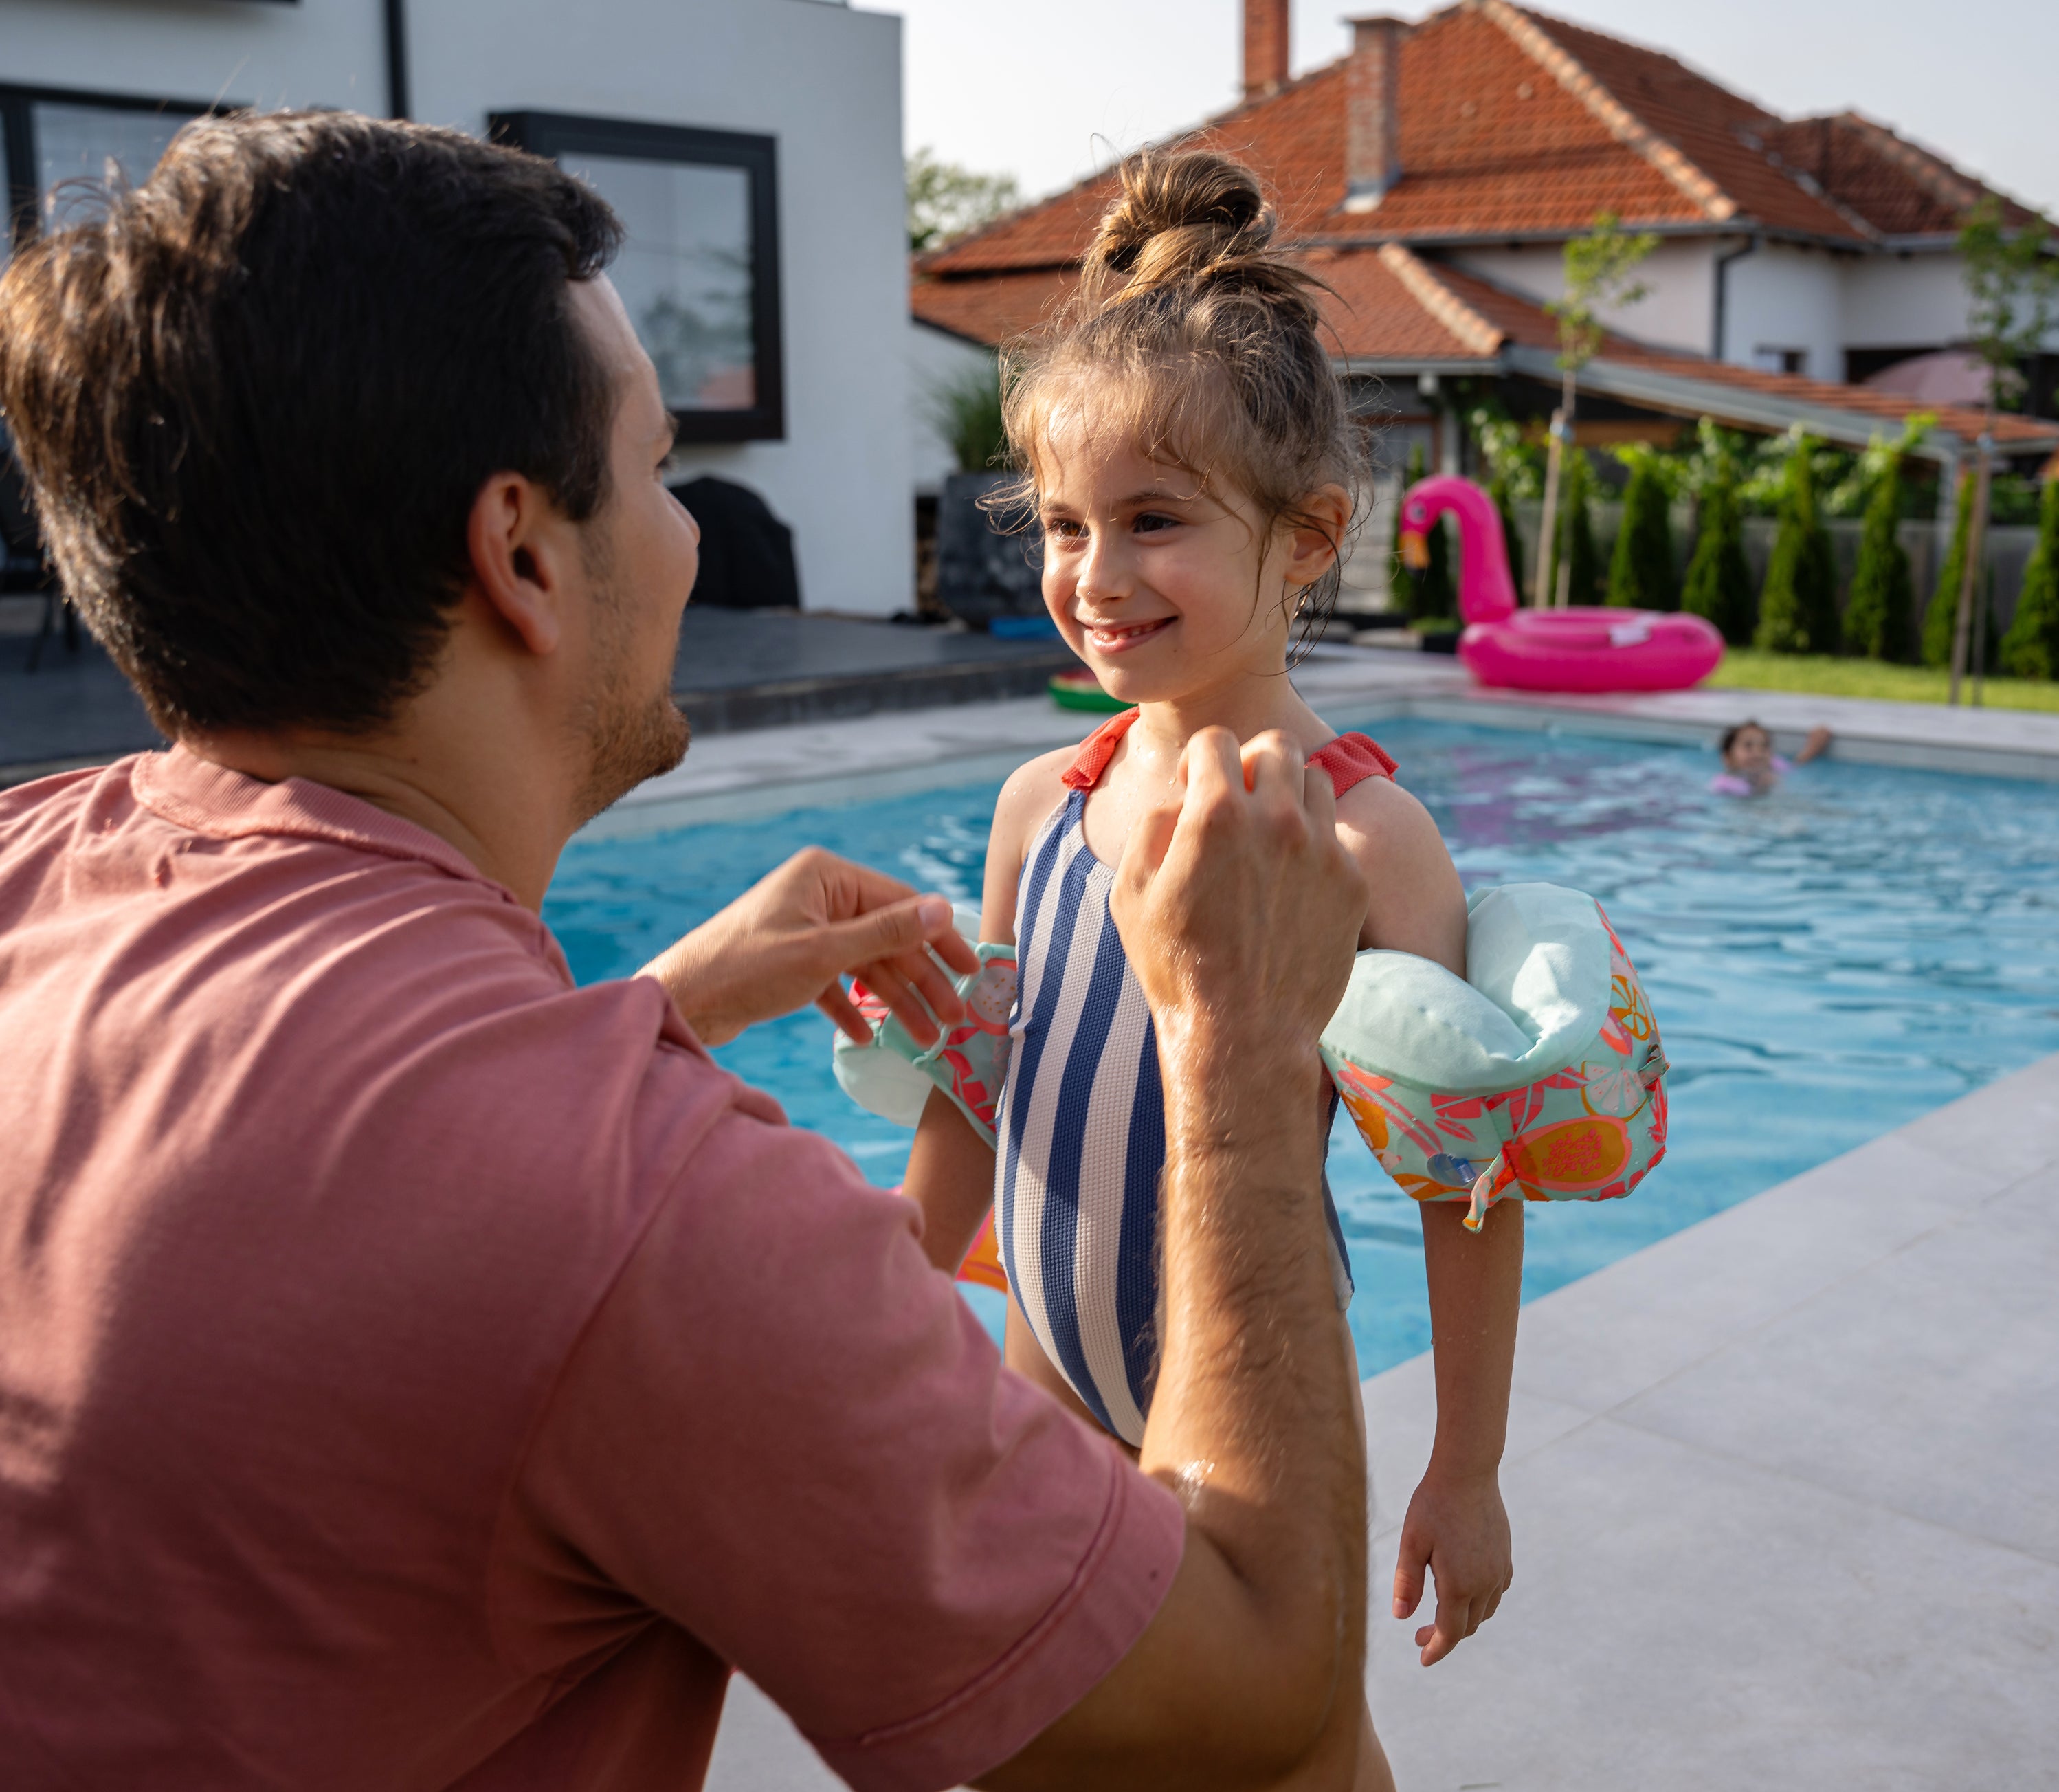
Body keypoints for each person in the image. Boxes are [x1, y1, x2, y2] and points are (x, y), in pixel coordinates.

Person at [0, 114, 1378, 1789]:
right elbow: (1254, 1693)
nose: (694, 534)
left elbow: (276, 1185)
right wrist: (1235, 1042)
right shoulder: (652, 1215)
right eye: (658, 470)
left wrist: (653, 1008)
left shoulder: (34, 864)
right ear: (522, 556)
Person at [898, 151, 1522, 1789]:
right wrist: (890, 1300)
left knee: (1288, 1747)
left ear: (1310, 534)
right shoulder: (1046, 802)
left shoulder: (1362, 838)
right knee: (1041, 1738)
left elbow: (1468, 1178)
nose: (1094, 578)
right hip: (1044, 1376)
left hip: (1255, 1393)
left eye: (1153, 521)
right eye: (1061, 524)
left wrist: (1468, 1465)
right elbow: (989, 1074)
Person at [1711, 720, 1833, 796]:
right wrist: (1761, 788)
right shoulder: (1724, 783)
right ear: (1728, 757)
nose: (1758, 752)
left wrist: (1813, 747)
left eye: (1764, 746)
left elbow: (1795, 766)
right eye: (1748, 746)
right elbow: (1746, 799)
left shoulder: (1773, 766)